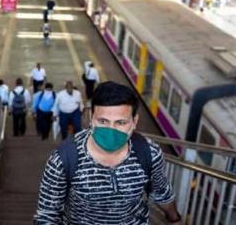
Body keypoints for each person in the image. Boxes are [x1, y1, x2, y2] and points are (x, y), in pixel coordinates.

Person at [35, 81, 182, 225]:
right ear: (91, 118)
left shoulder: (150, 153)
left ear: (134, 121)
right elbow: (47, 215)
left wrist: (174, 219)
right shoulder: (63, 159)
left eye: (120, 122)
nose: (111, 131)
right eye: (104, 121)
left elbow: (162, 193)